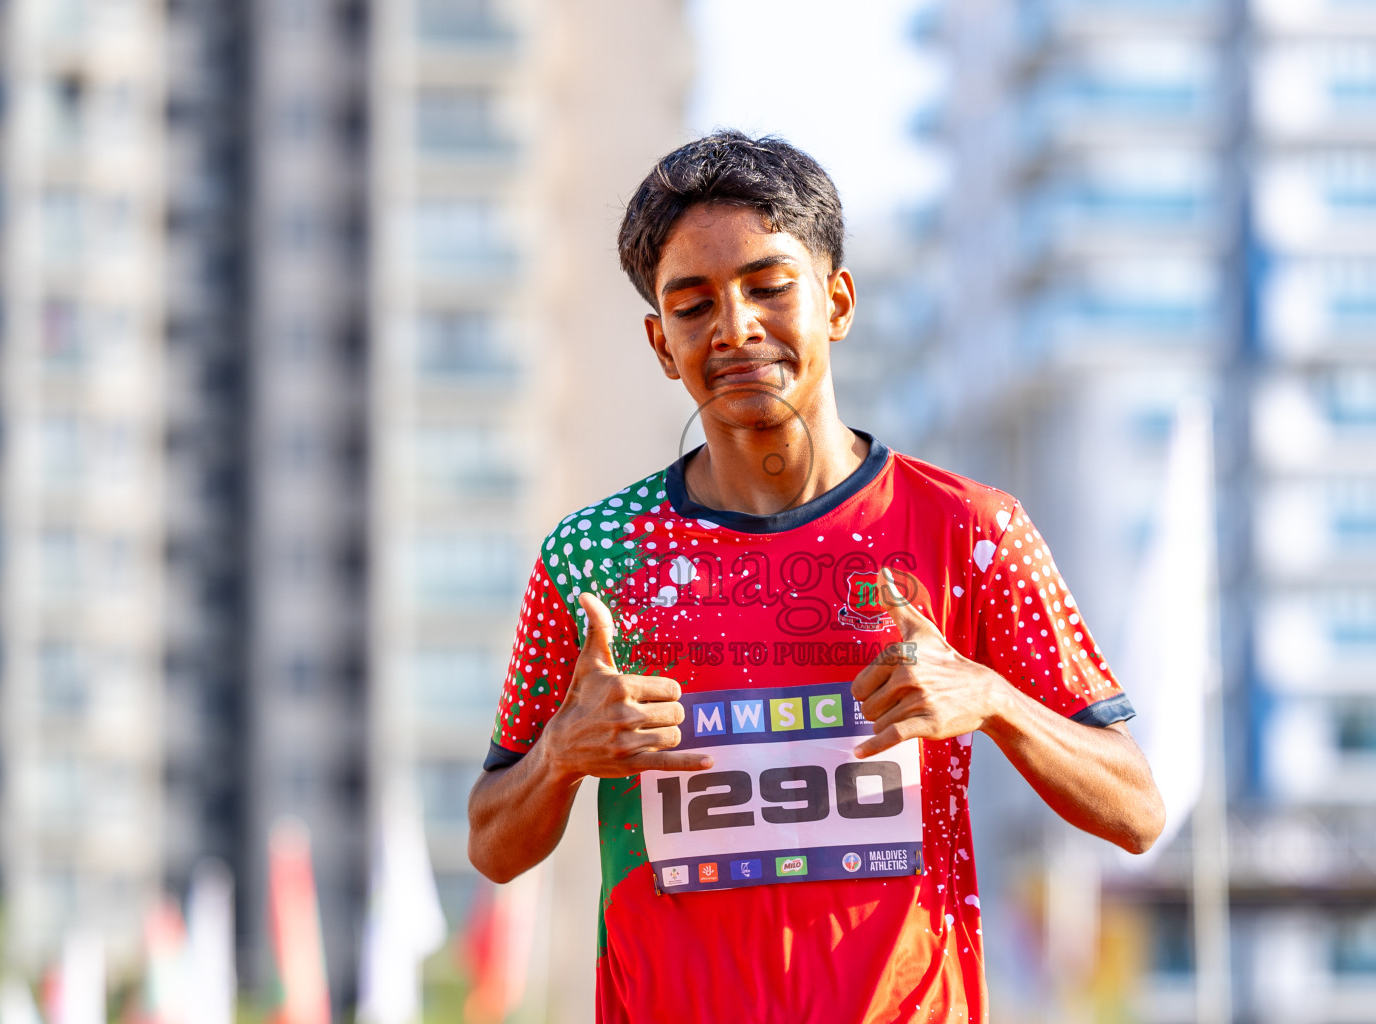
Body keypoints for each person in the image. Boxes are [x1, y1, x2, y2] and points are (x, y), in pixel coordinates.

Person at [467, 131, 1165, 1023]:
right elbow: (493, 843)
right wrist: (563, 752)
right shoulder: (595, 554)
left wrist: (989, 695)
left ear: (836, 301)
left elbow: (1136, 811)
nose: (735, 328)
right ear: (658, 341)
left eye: (768, 286)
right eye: (693, 304)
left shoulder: (971, 530)